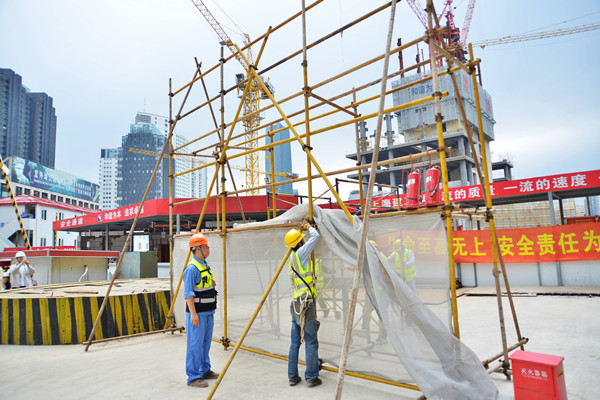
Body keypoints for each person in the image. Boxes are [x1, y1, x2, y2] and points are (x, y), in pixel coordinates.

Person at [285, 220, 322, 387]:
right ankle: (311, 376)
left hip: (296, 304)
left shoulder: (292, 258)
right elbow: (315, 236)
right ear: (300, 242)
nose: (304, 241)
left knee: (295, 342)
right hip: (306, 305)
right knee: (311, 340)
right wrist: (309, 228)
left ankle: (293, 376)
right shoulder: (301, 253)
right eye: (302, 239)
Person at [184, 233, 219, 388]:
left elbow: (206, 285)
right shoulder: (191, 269)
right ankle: (193, 377)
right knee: (195, 345)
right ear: (197, 248)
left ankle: (205, 370)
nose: (208, 248)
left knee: (205, 344)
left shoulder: (205, 265)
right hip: (197, 314)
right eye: (206, 246)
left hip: (208, 312)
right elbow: (188, 294)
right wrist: (193, 314)